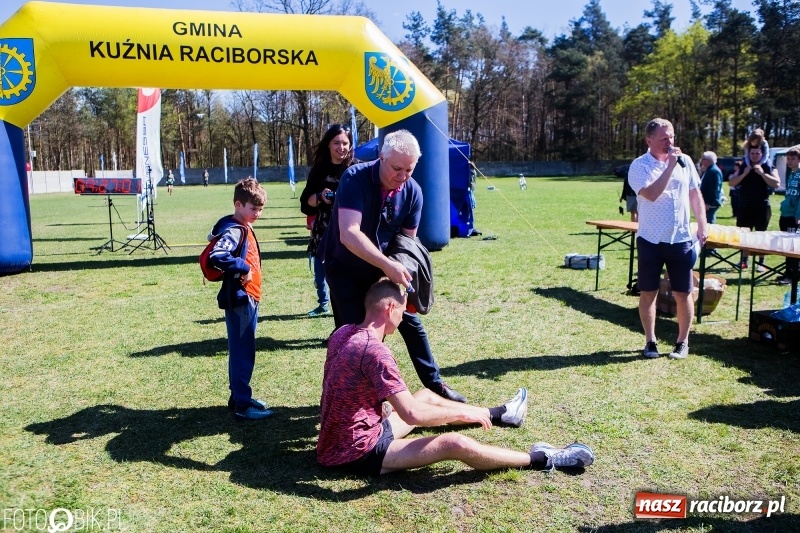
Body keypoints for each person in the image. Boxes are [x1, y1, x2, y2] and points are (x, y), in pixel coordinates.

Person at [317, 278, 595, 476]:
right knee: (454, 443)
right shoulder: (375, 350)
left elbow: (343, 387)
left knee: (427, 395)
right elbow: (412, 414)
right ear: (390, 308)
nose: (404, 316)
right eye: (403, 309)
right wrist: (461, 416)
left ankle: (501, 413)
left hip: (336, 440)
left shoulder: (344, 333)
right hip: (357, 451)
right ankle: (545, 458)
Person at [322, 130, 466, 403]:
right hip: (345, 268)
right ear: (381, 157)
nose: (402, 175)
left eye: (409, 169)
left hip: (382, 270)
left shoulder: (413, 192)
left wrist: (401, 273)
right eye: (396, 168)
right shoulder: (354, 178)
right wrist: (388, 265)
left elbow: (406, 243)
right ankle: (348, 397)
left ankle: (435, 386)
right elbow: (349, 233)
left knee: (410, 322)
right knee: (356, 333)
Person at [628, 118, 708, 360]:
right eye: (664, 138)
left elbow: (695, 194)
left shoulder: (686, 163)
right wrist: (671, 167)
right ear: (649, 140)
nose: (669, 142)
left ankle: (682, 342)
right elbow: (651, 194)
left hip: (681, 238)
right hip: (651, 239)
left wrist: (702, 224)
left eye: (671, 137)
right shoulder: (639, 166)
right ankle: (650, 341)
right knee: (648, 292)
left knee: (683, 293)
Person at [206, 177, 273, 421]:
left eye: (260, 209)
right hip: (241, 299)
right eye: (253, 208)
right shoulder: (235, 229)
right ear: (238, 204)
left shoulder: (243, 225)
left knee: (242, 350)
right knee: (243, 352)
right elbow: (218, 254)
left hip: (249, 297)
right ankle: (243, 405)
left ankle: (238, 397)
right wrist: (243, 268)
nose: (258, 213)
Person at [300, 124, 357, 317]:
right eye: (336, 143)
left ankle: (347, 326)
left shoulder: (357, 168)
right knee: (325, 277)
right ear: (328, 144)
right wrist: (320, 196)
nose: (341, 147)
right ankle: (328, 309)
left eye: (345, 143)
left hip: (351, 232)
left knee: (347, 284)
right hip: (324, 233)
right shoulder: (319, 170)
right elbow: (305, 205)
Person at [729, 145, 779, 271]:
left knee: (761, 234)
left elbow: (776, 183)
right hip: (745, 205)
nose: (755, 156)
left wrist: (762, 173)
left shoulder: (768, 165)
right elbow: (731, 182)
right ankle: (744, 261)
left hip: (762, 206)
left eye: (757, 153)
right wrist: (744, 174)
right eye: (752, 153)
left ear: (762, 154)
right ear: (749, 154)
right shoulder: (744, 166)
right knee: (744, 235)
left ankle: (761, 263)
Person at [777, 147, 800, 284]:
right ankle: (787, 272)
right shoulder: (791, 174)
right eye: (788, 159)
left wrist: (798, 215)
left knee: (793, 247)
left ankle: (793, 276)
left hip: (794, 216)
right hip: (785, 213)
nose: (790, 161)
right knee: (786, 246)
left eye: (793, 158)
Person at [699, 151, 723, 224]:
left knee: (709, 223)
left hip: (710, 204)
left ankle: (710, 235)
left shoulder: (714, 171)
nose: (701, 160)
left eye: (703, 159)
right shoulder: (709, 170)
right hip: (706, 201)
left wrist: (709, 203)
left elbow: (714, 189)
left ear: (708, 161)